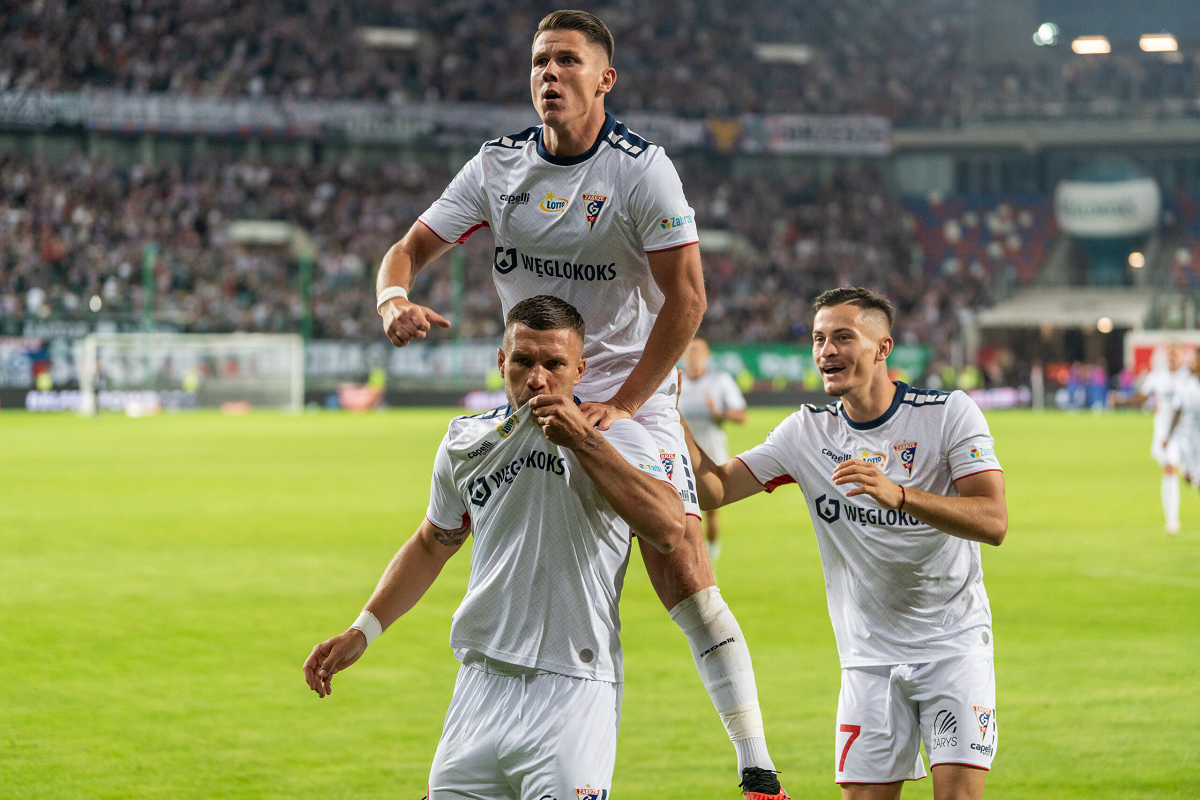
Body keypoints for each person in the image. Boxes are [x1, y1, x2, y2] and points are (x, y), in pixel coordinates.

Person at [372, 10, 785, 797]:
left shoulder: (640, 171)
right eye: (538, 62)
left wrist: (624, 404)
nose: (548, 75)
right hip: (533, 378)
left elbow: (688, 299)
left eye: (566, 61)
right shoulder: (497, 167)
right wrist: (394, 297)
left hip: (628, 395)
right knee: (489, 537)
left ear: (605, 79)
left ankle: (756, 762)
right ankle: (520, 705)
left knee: (682, 563)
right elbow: (408, 249)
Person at [304, 296, 685, 799]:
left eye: (554, 364)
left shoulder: (619, 438)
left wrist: (583, 443)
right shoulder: (466, 441)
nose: (538, 378)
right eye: (524, 361)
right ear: (502, 362)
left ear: (580, 369)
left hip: (571, 689)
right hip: (478, 685)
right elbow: (432, 542)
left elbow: (669, 528)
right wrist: (363, 630)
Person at [684, 287, 1008, 800]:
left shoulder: (948, 414)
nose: (826, 350)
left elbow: (993, 520)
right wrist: (669, 413)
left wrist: (900, 495)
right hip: (867, 658)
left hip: (953, 646)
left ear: (883, 348)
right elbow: (714, 489)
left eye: (842, 337)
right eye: (818, 339)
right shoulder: (805, 433)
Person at [678, 336, 747, 564]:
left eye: (698, 351)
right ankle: (687, 556)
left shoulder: (720, 381)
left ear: (707, 356)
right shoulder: (677, 382)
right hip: (682, 451)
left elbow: (741, 415)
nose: (693, 356)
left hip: (712, 450)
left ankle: (711, 555)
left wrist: (719, 413)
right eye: (689, 351)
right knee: (680, 506)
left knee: (711, 507)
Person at [1112, 342, 1189, 534]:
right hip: (1165, 433)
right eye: (1170, 354)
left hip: (1188, 433)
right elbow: (1143, 397)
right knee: (1170, 468)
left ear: (1182, 356)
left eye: (1176, 354)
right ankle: (1172, 520)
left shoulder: (1189, 377)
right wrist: (1121, 402)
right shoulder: (1158, 376)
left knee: (1189, 475)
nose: (1172, 357)